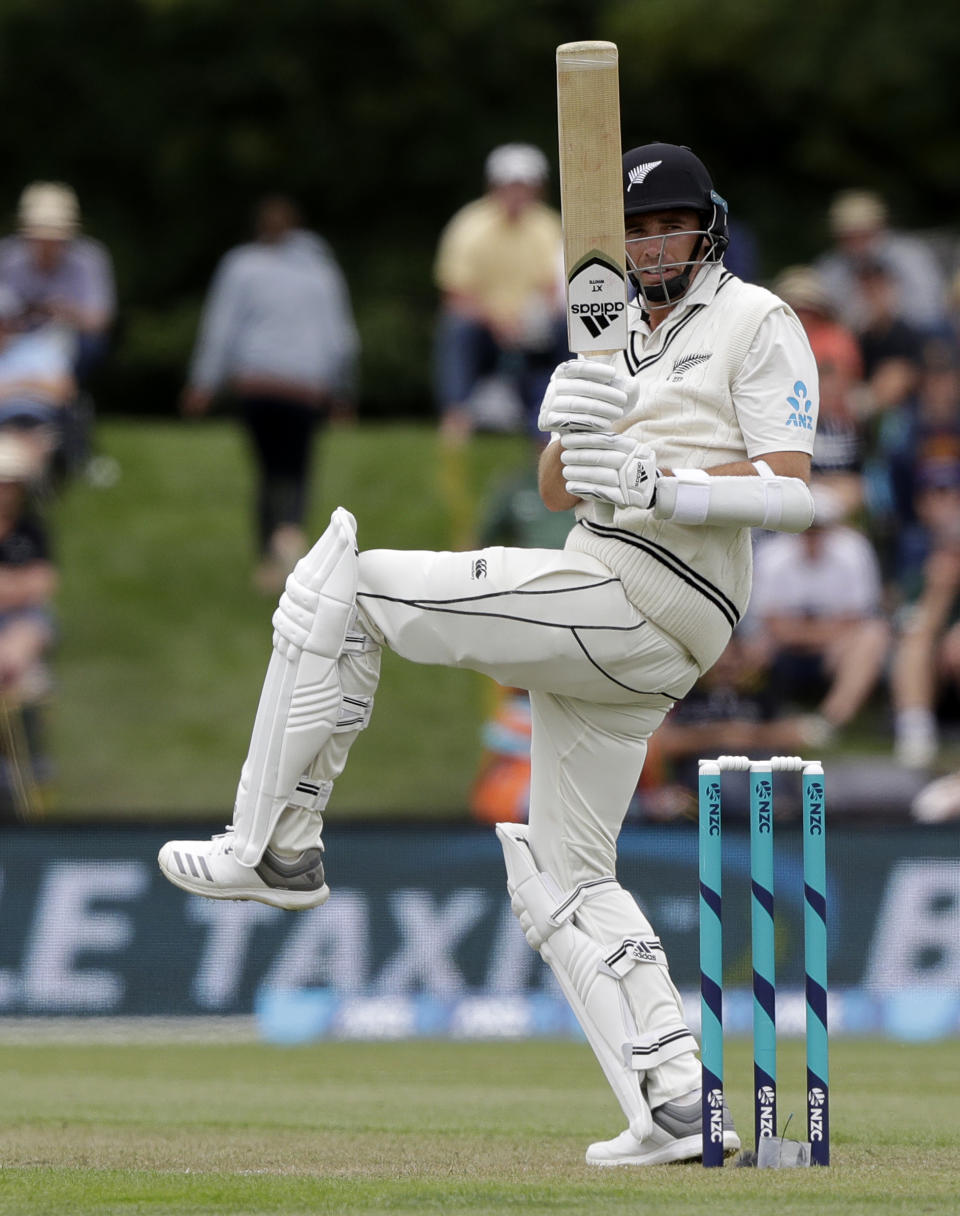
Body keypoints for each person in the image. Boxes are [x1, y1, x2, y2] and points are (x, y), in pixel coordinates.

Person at [158, 143, 820, 1167]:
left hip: (651, 591)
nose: (650, 245)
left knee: (352, 582)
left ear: (709, 226)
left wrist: (666, 483)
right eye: (635, 230)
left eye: (668, 225)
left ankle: (274, 845)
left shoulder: (754, 319)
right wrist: (568, 430)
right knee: (562, 871)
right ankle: (678, 1100)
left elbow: (793, 486)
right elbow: (562, 493)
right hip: (606, 596)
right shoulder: (610, 334)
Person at [182, 195, 360, 592]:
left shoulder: (240, 266)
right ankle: (291, 534)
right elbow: (341, 338)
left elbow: (220, 327)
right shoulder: (321, 272)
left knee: (267, 471)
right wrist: (343, 391)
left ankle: (267, 556)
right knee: (297, 468)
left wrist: (203, 383)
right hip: (305, 387)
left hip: (257, 384)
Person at [433, 144, 568, 445]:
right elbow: (455, 295)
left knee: (566, 329)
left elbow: (554, 287)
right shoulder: (469, 225)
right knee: (458, 327)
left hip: (533, 329)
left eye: (525, 186)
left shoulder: (547, 226)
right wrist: (498, 322)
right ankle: (456, 417)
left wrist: (531, 321)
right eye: (510, 186)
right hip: (485, 329)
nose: (517, 195)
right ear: (494, 187)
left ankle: (561, 416)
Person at [745, 483, 891, 743]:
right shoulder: (773, 555)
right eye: (808, 527)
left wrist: (802, 632)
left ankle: (829, 723)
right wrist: (824, 630)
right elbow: (771, 624)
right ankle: (751, 715)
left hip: (832, 649)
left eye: (820, 527)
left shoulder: (854, 551)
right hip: (781, 647)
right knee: (752, 644)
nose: (813, 534)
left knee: (873, 637)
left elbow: (857, 621)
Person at [0, 181, 115, 386]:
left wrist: (64, 311)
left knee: (90, 345)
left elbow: (101, 321)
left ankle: (68, 396)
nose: (48, 244)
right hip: (11, 339)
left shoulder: (90, 259)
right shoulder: (6, 256)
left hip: (66, 339)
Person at [0, 432, 57, 818]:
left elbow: (43, 585)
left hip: (22, 625)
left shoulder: (31, 529)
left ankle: (31, 777)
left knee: (22, 648)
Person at [814, 189, 949, 338]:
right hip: (857, 340)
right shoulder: (830, 267)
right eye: (847, 236)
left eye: (862, 234)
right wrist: (865, 317)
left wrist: (890, 312)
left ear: (879, 228)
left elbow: (930, 307)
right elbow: (825, 315)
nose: (855, 243)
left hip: (914, 336)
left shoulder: (910, 254)